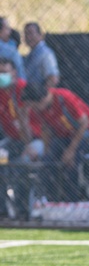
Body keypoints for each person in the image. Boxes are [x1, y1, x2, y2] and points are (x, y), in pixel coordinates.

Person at [21, 83, 89, 203]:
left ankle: (71, 201)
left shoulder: (63, 98)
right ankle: (52, 201)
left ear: (42, 99)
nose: (32, 108)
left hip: (86, 133)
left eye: (32, 105)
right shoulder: (40, 108)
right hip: (63, 136)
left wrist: (71, 150)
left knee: (70, 161)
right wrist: (46, 151)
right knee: (48, 161)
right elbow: (46, 128)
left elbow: (84, 123)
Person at [0, 57, 42, 219]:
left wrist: (28, 144)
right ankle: (2, 210)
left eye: (4, 72)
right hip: (13, 140)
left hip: (35, 139)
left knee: (23, 162)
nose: (1, 76)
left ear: (14, 73)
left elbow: (28, 128)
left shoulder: (24, 89)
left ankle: (23, 211)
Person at [23, 22, 59, 89]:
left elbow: (53, 79)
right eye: (26, 34)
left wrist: (43, 93)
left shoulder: (45, 53)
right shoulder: (32, 54)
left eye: (31, 33)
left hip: (38, 92)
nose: (28, 37)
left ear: (40, 35)